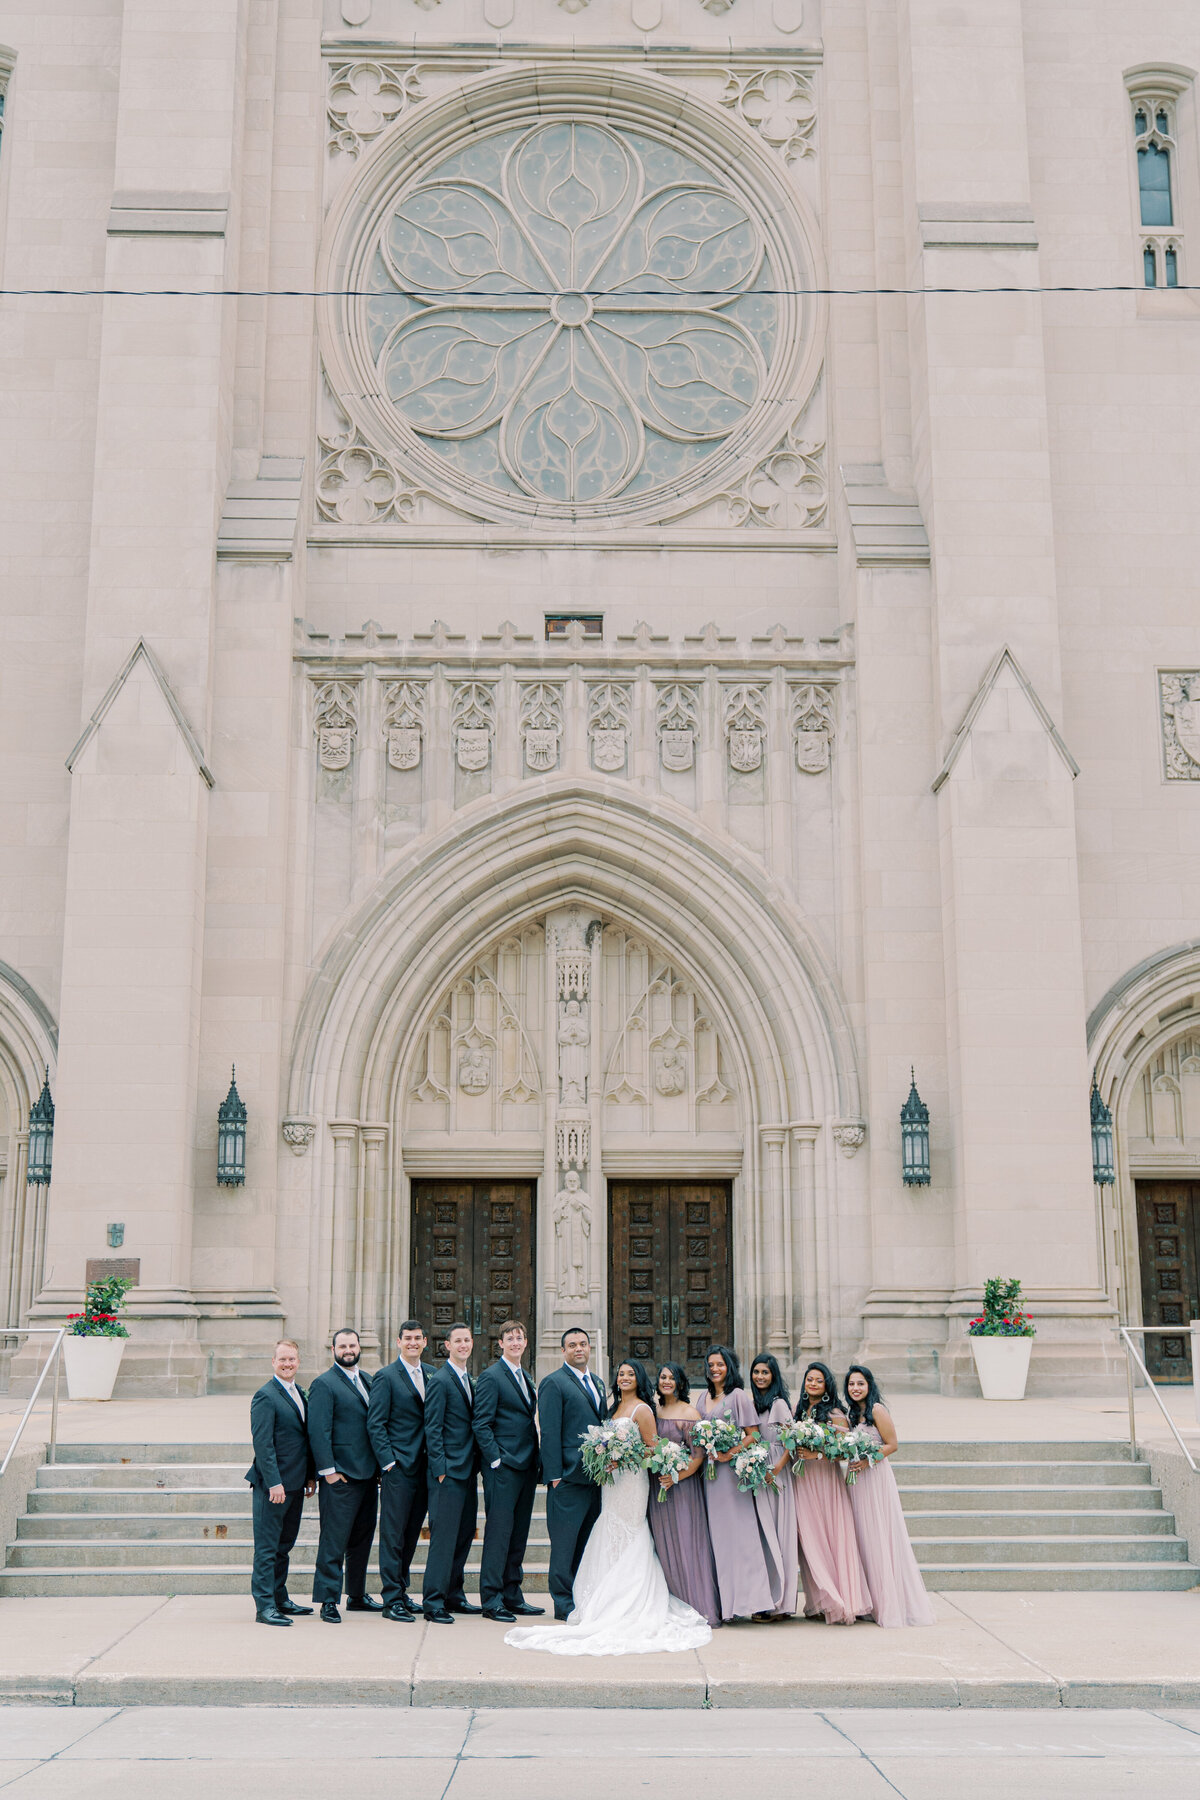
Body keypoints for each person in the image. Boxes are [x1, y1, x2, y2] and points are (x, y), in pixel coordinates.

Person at [505, 1359, 711, 1656]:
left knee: (630, 1534)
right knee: (608, 1531)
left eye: (630, 1374)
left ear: (639, 1379)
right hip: (611, 1484)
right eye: (621, 1374)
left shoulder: (643, 1409)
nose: (624, 1377)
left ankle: (628, 1598)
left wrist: (625, 1457)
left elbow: (652, 1448)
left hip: (633, 1484)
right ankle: (605, 1598)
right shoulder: (611, 1409)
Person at [843, 1364, 936, 1628]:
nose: (855, 1388)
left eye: (860, 1383)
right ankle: (870, 1600)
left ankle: (889, 1602)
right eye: (851, 1384)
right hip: (855, 1481)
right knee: (863, 1537)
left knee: (879, 1535)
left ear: (869, 1385)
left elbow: (892, 1444)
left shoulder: (876, 1410)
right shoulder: (852, 1415)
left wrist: (867, 1459)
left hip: (874, 1478)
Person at [696, 1345, 784, 1622]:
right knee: (718, 1540)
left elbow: (753, 1435)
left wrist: (727, 1453)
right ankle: (726, 1604)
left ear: (729, 1367)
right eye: (711, 1364)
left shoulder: (738, 1397)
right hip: (709, 1477)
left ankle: (753, 1602)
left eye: (720, 1364)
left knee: (742, 1537)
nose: (715, 1369)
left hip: (732, 1476)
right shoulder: (701, 1398)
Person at [532, 1326, 609, 1620]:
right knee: (564, 1547)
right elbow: (549, 1431)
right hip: (566, 1478)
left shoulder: (598, 1383)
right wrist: (554, 1475)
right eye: (573, 1345)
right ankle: (563, 1604)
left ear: (590, 1349)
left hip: (594, 1480)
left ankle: (582, 1599)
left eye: (583, 1344)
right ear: (563, 1351)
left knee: (586, 1544)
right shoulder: (554, 1383)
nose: (579, 1348)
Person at [307, 1327, 383, 1622]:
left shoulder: (367, 1380)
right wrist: (328, 1472)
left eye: (352, 1345)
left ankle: (357, 1595)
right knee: (334, 1540)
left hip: (367, 1476)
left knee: (361, 1540)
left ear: (359, 1346)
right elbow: (319, 1430)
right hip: (340, 1477)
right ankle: (328, 1599)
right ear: (333, 1350)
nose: (348, 1350)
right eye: (343, 1346)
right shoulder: (324, 1384)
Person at [472, 1317, 545, 1622]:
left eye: (520, 1338)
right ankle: (491, 1599)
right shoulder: (492, 1376)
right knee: (499, 1535)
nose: (516, 1343)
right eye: (510, 1339)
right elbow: (481, 1422)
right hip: (503, 1468)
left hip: (526, 1466)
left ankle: (512, 1594)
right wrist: (496, 1460)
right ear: (500, 1343)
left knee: (518, 1535)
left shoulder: (525, 1377)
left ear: (525, 1343)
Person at [791, 1361, 871, 1625]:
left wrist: (817, 1454)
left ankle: (840, 1599)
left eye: (818, 1380)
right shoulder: (799, 1410)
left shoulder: (835, 1413)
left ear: (826, 1385)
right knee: (810, 1539)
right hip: (803, 1481)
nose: (812, 1384)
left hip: (826, 1481)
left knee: (832, 1537)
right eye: (809, 1379)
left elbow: (846, 1451)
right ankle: (820, 1600)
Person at [366, 1317, 434, 1622]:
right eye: (407, 1338)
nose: (413, 1342)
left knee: (409, 1534)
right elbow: (375, 1422)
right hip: (399, 1468)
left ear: (424, 1342)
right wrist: (389, 1462)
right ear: (398, 1342)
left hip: (425, 1467)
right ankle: (391, 1598)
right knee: (393, 1534)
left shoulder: (432, 1374)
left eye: (417, 1338)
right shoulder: (386, 1376)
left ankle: (403, 1591)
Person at [245, 1338, 316, 1626]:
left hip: (296, 1483)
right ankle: (264, 1607)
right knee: (267, 1547)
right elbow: (263, 1445)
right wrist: (274, 1483)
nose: (288, 1364)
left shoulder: (299, 1391)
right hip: (272, 1486)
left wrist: (310, 1475)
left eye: (292, 1359)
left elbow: (303, 1440)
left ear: (298, 1361)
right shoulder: (265, 1395)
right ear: (273, 1362)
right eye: (282, 1359)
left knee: (284, 1545)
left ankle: (279, 1597)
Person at [648, 1362, 720, 1626]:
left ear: (680, 1382)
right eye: (662, 1376)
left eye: (672, 1377)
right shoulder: (654, 1410)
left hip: (683, 1489)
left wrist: (676, 1475)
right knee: (664, 1546)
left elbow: (698, 1456)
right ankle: (670, 1601)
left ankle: (696, 1604)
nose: (666, 1381)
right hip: (659, 1487)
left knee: (687, 1542)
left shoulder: (690, 1413)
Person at [421, 1322, 483, 1622]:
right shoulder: (440, 1379)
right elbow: (432, 1427)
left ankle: (454, 1594)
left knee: (462, 1537)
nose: (462, 1345)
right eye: (457, 1340)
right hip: (448, 1474)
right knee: (444, 1539)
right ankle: (433, 1602)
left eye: (467, 1340)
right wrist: (441, 1469)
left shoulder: (468, 1379)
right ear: (447, 1345)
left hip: (467, 1472)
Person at [749, 1353, 799, 1620]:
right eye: (756, 1372)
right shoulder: (753, 1404)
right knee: (765, 1538)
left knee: (779, 1536)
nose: (760, 1377)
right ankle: (767, 1596)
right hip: (759, 1473)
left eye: (765, 1373)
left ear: (774, 1375)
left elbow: (791, 1442)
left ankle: (782, 1603)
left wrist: (777, 1469)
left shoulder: (779, 1404)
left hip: (776, 1474)